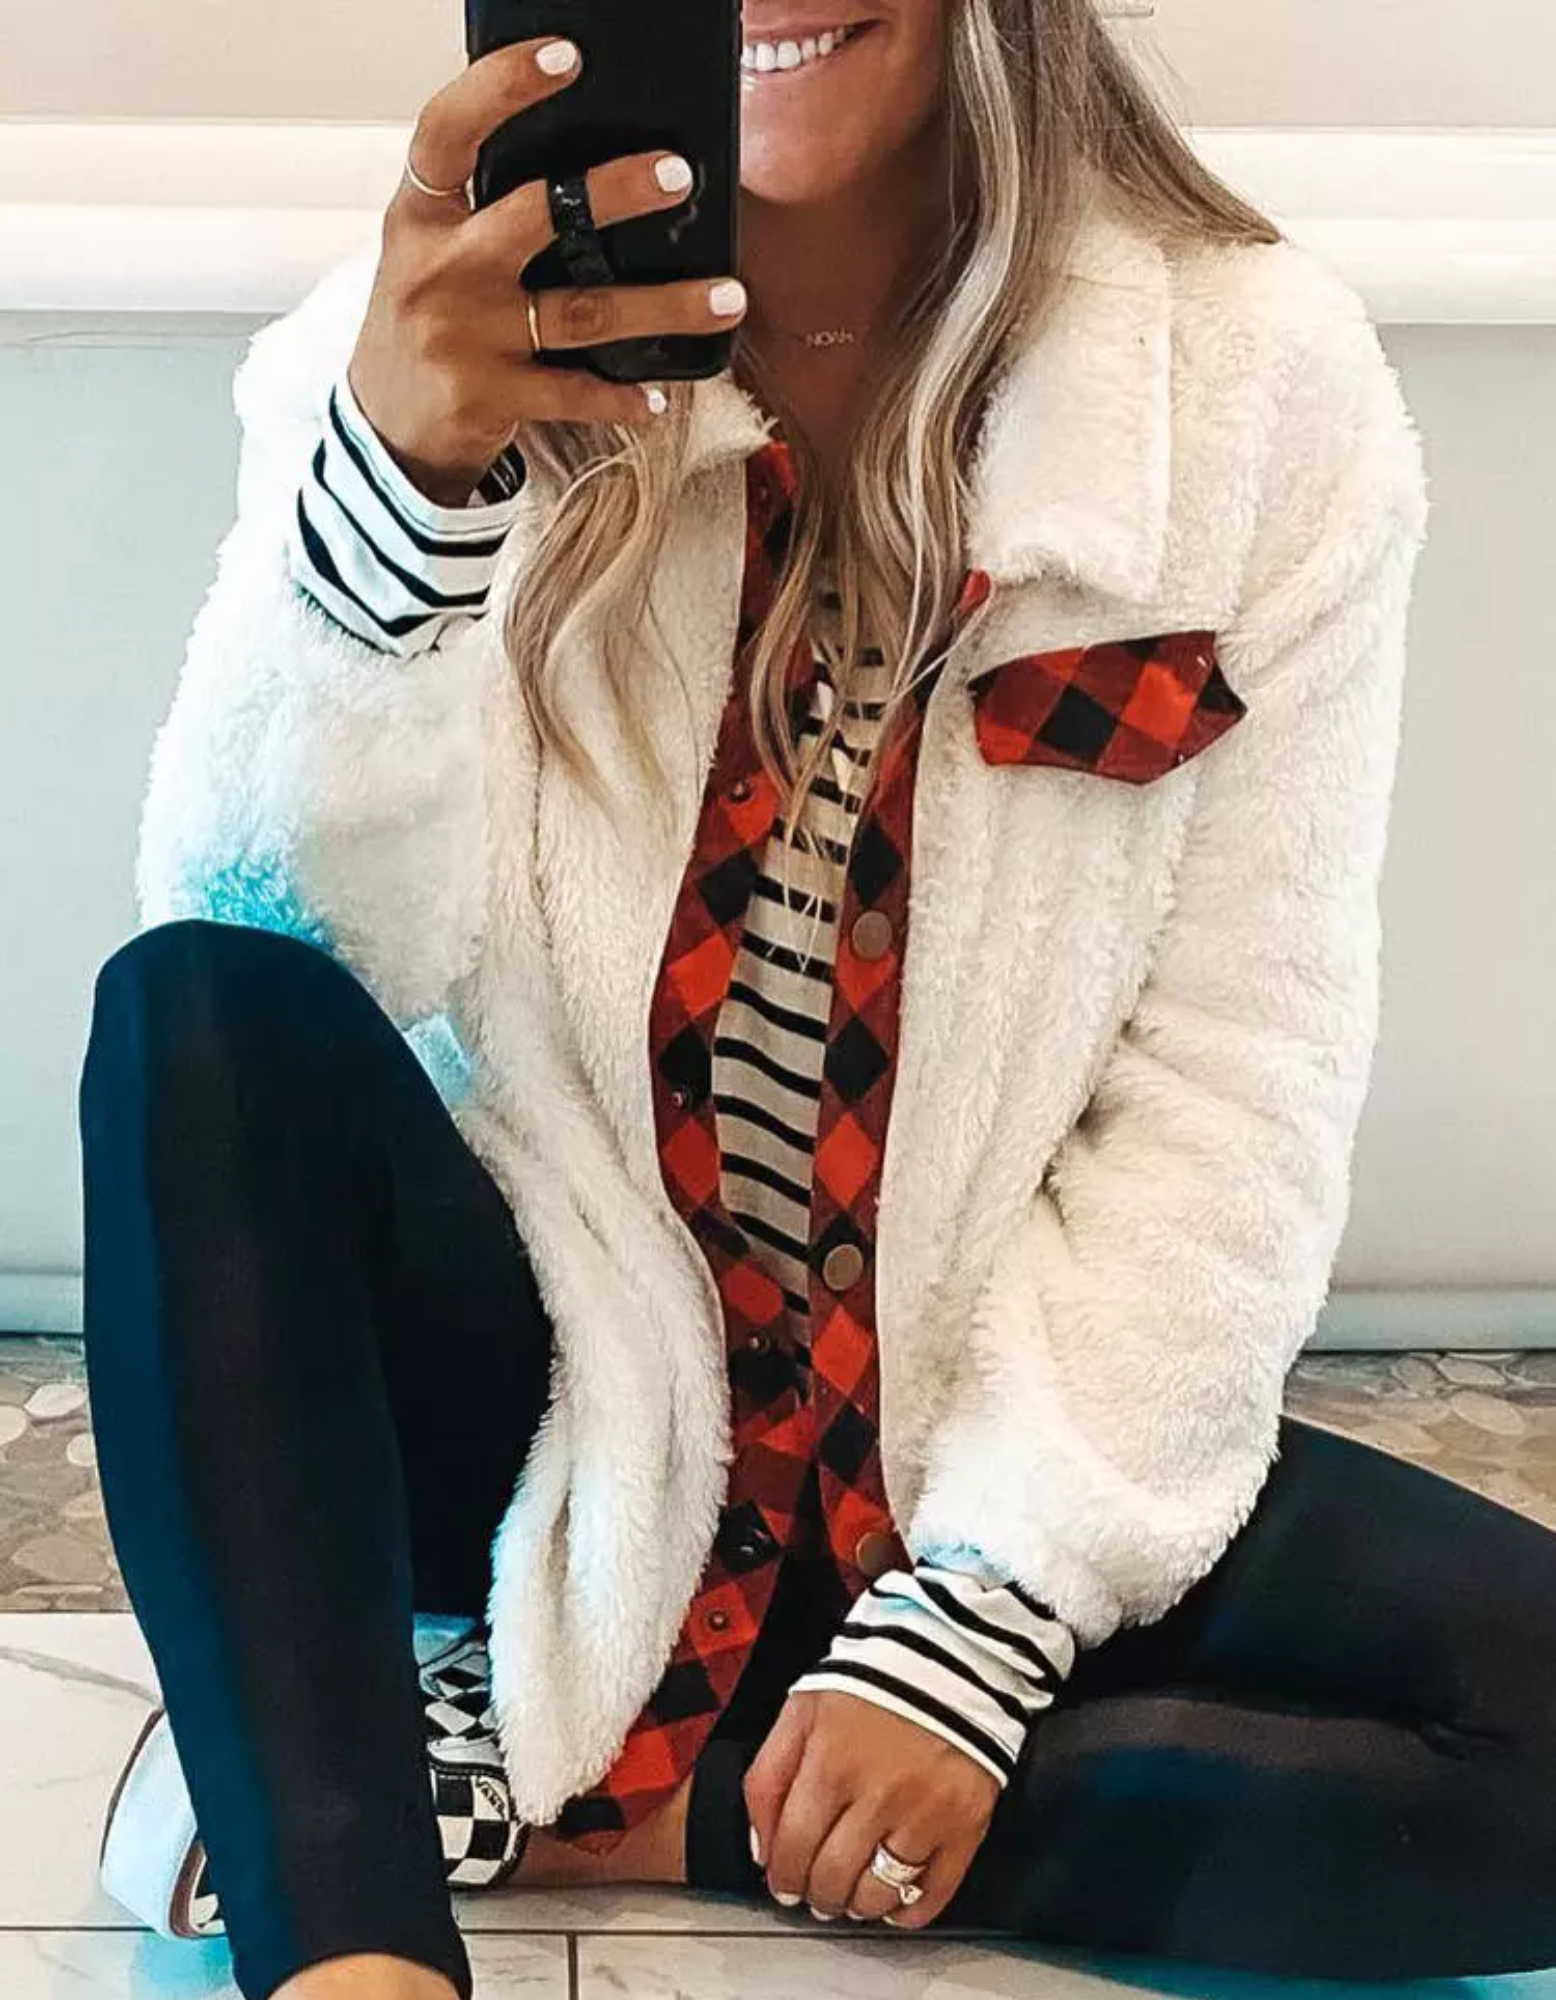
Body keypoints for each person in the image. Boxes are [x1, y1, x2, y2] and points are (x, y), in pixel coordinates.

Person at [76, 2, 1556, 1998]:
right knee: (185, 1011)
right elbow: (274, 984)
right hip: (557, 1407)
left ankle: (611, 1794)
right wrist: (402, 500)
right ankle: (356, 1948)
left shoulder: (1248, 388)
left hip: (960, 1407)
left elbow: (1238, 1070)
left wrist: (984, 1615)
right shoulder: (420, 344)